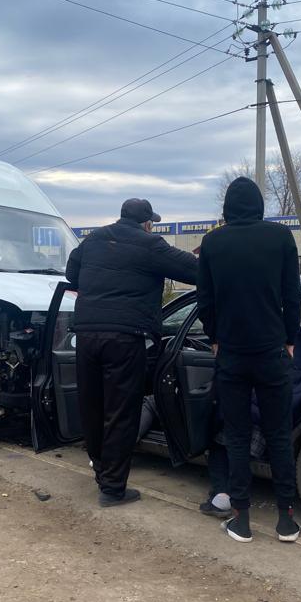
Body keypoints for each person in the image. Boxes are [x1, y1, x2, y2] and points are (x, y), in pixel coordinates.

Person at [65, 198, 197, 507]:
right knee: (121, 411)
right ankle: (112, 488)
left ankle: (101, 469)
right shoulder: (151, 244)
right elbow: (194, 271)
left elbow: (72, 273)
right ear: (148, 222)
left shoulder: (95, 238)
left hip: (86, 335)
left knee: (93, 406)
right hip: (125, 338)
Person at [197, 176, 301, 544]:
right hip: (273, 352)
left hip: (232, 355)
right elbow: (293, 293)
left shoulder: (212, 242)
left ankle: (240, 520)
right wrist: (290, 339)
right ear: (259, 204)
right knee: (278, 436)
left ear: (227, 207)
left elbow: (205, 301)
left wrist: (213, 339)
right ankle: (286, 520)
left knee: (238, 437)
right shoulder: (281, 237)